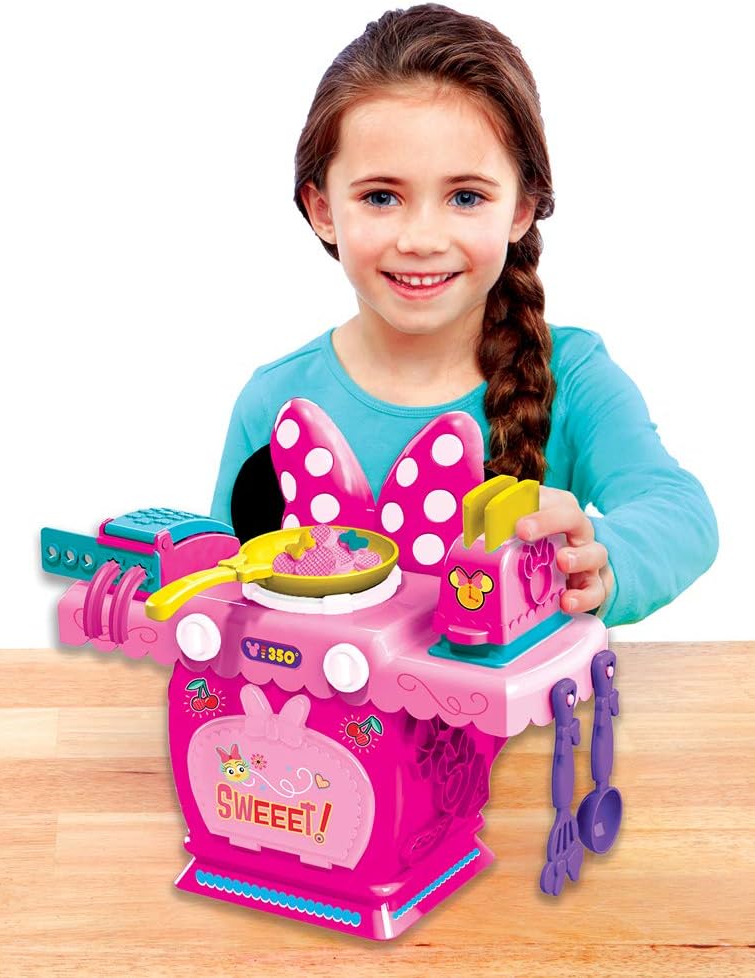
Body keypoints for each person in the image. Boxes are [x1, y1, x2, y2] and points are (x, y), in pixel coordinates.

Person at [210, 3, 717, 628]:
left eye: (466, 196)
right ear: (322, 210)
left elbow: (679, 510)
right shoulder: (274, 400)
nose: (422, 239)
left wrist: (603, 556)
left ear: (521, 208)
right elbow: (223, 588)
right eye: (381, 196)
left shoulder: (573, 376)